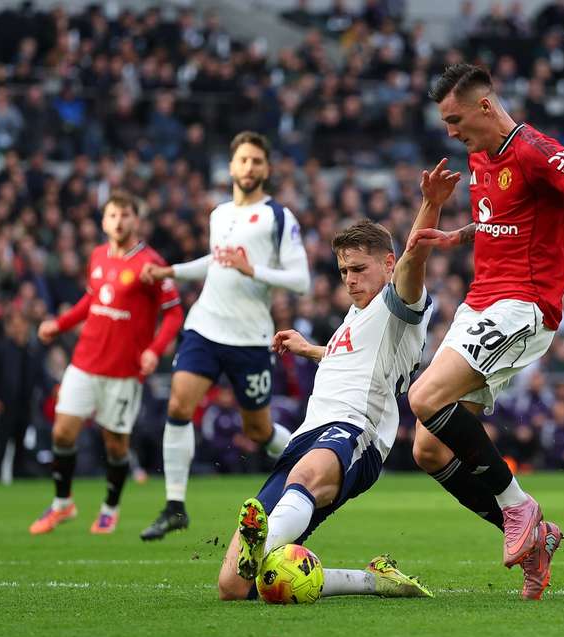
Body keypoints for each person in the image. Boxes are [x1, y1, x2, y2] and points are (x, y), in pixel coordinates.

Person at [404, 64, 564, 600]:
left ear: (485, 106)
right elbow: (502, 218)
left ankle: (518, 506)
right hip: (479, 304)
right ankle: (536, 541)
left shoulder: (534, 150)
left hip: (523, 306)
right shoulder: (478, 156)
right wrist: (460, 236)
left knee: (423, 397)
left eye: (455, 119)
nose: (450, 132)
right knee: (428, 450)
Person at [217, 159, 456, 602]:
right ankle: (373, 580)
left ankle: (262, 544)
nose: (349, 280)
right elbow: (351, 356)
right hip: (308, 434)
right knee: (234, 587)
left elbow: (415, 255)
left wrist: (431, 203)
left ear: (387, 264)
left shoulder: (400, 304)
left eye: (359, 269)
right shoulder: (355, 316)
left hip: (356, 430)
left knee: (306, 476)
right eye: (344, 271)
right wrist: (310, 348)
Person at [139, 131, 311, 541]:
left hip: (249, 337)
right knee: (179, 404)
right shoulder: (219, 214)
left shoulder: (278, 217)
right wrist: (171, 271)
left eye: (257, 161)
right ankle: (175, 506)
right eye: (243, 160)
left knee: (258, 431)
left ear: (267, 169)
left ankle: (308, 467)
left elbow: (301, 280)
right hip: (205, 326)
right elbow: (216, 263)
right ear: (232, 166)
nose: (249, 167)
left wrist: (255, 271)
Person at [28, 191, 184, 535]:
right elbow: (90, 300)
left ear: (136, 220)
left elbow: (174, 313)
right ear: (103, 221)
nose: (119, 221)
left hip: (124, 371)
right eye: (113, 215)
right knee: (62, 432)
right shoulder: (98, 256)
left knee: (115, 444)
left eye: (125, 215)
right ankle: (62, 503)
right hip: (85, 361)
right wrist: (59, 324)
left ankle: (109, 508)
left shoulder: (151, 263)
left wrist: (154, 350)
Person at [0, 310, 45, 481]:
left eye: (21, 325)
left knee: (20, 444)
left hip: (25, 405)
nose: (18, 329)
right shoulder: (2, 348)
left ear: (26, 326)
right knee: (3, 444)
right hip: (6, 404)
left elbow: (40, 375)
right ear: (10, 328)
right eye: (15, 325)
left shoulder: (32, 349)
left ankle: (17, 477)